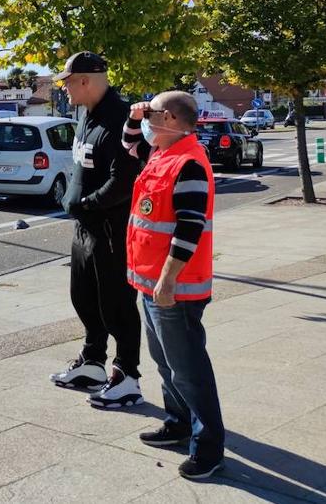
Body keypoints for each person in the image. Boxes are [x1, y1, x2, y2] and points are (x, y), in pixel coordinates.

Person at [124, 91, 226, 481]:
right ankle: (178, 423)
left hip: (175, 290)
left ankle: (209, 448)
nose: (145, 119)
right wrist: (135, 117)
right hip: (152, 285)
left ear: (168, 117)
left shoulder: (188, 163)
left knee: (189, 370)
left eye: (149, 113)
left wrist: (167, 281)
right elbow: (128, 144)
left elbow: (189, 228)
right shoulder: (162, 153)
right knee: (166, 364)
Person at [49, 51, 144, 409]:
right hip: (84, 228)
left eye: (69, 81)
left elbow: (124, 181)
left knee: (117, 305)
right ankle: (92, 363)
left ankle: (127, 376)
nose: (65, 88)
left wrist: (87, 204)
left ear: (86, 80)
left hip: (110, 230)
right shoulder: (84, 116)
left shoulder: (120, 120)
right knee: (84, 297)